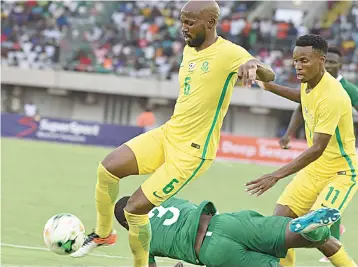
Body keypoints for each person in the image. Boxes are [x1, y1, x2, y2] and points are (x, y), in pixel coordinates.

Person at [71, 1, 276, 265]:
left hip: (192, 153)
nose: (184, 28)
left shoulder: (229, 52)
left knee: (134, 211)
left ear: (210, 23)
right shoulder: (191, 50)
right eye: (183, 22)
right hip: (169, 134)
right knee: (107, 169)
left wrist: (252, 65)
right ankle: (102, 233)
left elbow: (268, 74)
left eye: (190, 22)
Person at [245, 34, 357, 267]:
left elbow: (317, 148)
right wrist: (267, 85)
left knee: (313, 231)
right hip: (313, 172)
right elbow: (302, 98)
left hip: (339, 175)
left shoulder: (333, 95)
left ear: (321, 60)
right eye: (295, 60)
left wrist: (275, 175)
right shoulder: (311, 84)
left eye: (304, 60)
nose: (297, 65)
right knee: (277, 227)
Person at [115, 196, 341, 267]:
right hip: (225, 222)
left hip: (212, 252)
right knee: (290, 233)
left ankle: (308, 230)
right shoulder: (165, 200)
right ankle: (305, 228)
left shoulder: (139, 238)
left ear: (126, 225)